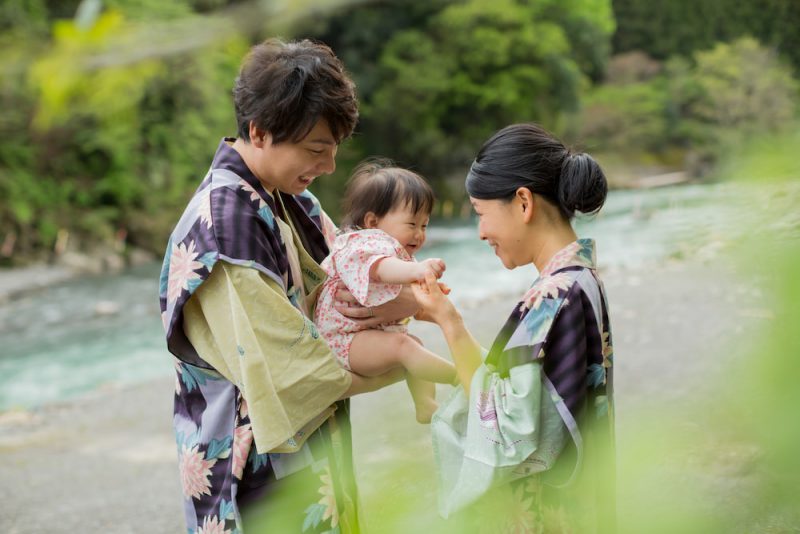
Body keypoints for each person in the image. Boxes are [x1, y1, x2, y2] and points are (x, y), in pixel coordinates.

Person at [159, 38, 413, 533]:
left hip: (303, 447)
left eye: (335, 150)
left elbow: (352, 288)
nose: (329, 166)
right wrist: (409, 360)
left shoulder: (288, 196)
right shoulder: (224, 225)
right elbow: (290, 377)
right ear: (259, 131)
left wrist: (390, 307)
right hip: (251, 470)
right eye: (317, 149)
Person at [411, 123, 616, 532]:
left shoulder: (553, 294)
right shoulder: (582, 278)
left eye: (480, 212)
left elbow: (505, 428)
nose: (481, 232)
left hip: (549, 513)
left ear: (523, 202)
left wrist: (448, 322)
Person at [314, 160, 457, 424]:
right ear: (372, 221)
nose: (420, 234)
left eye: (424, 226)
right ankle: (461, 378)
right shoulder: (362, 245)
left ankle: (425, 405)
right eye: (412, 224)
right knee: (405, 346)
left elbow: (402, 293)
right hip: (343, 342)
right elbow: (381, 270)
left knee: (414, 345)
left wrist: (426, 294)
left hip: (364, 337)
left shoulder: (396, 255)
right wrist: (418, 272)